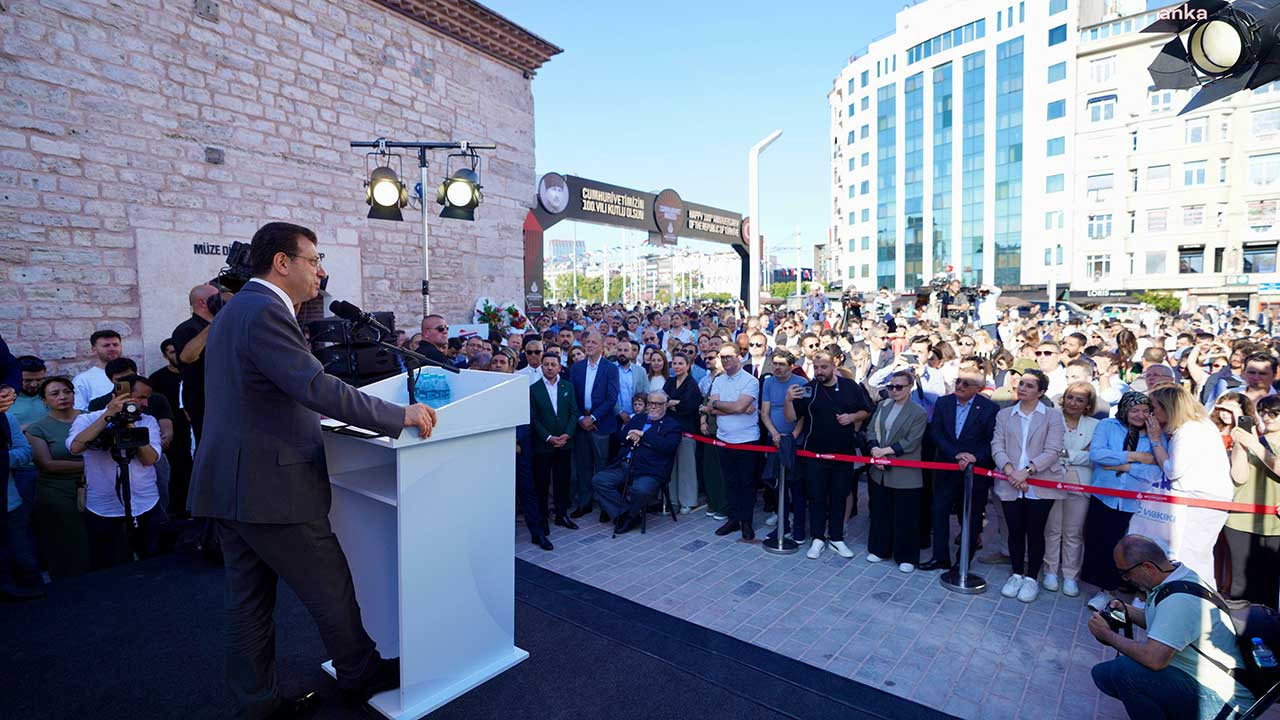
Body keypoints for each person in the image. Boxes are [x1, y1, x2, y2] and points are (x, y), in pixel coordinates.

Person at [187, 222, 437, 718]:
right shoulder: (263, 310)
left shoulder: (238, 309)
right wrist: (398, 415)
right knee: (330, 586)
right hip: (271, 487)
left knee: (249, 602)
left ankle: (258, 703)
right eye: (314, 259)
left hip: (232, 483)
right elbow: (317, 388)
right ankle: (360, 675)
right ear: (282, 262)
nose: (321, 271)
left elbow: (265, 392)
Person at [1088, 535, 1255, 720]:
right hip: (1202, 682)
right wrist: (1127, 610)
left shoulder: (1179, 600)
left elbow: (1154, 659)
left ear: (1148, 567)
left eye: (1125, 573)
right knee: (1104, 675)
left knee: (1125, 672)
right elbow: (1167, 625)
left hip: (1225, 704)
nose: (1126, 579)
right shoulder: (1176, 576)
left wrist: (1107, 635)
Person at [784, 350, 873, 560]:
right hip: (815, 453)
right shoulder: (807, 390)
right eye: (816, 368)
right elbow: (791, 418)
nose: (819, 371)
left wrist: (852, 417)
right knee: (816, 497)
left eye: (824, 367)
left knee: (839, 495)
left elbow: (867, 410)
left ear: (834, 366)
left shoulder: (851, 386)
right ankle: (817, 538)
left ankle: (836, 537)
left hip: (843, 453)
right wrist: (788, 400)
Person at [1144, 384, 1233, 589]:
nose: (1152, 413)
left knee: (1190, 557)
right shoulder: (1199, 425)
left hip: (1200, 501)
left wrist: (1156, 441)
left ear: (1168, 408)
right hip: (1202, 499)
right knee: (1194, 555)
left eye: (1154, 408)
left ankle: (1195, 602)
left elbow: (1173, 470)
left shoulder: (1189, 431)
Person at [1083, 391, 1165, 611]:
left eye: (1145, 411)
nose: (1139, 416)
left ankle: (1139, 592)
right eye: (1134, 410)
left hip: (1136, 504)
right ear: (1124, 410)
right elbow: (1097, 455)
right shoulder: (1108, 426)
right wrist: (1135, 457)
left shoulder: (1155, 434)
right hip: (1105, 497)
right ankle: (1106, 590)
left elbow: (1156, 470)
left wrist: (1123, 465)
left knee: (1132, 548)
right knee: (1101, 543)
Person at [991, 368, 1067, 603]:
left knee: (1036, 532)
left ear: (1041, 391)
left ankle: (1031, 578)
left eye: (1029, 385)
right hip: (1010, 480)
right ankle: (1015, 574)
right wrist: (1011, 471)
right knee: (1014, 530)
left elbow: (1053, 450)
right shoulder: (1005, 415)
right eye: (1021, 383)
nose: (1022, 388)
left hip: (1040, 482)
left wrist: (1027, 471)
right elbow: (997, 445)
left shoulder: (1053, 416)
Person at [68, 386, 164, 569]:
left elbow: (150, 459)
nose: (146, 403)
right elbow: (75, 447)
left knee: (151, 559)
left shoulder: (148, 421)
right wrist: (109, 416)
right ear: (117, 397)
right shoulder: (86, 419)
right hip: (103, 507)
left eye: (147, 398)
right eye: (140, 398)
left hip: (145, 502)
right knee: (107, 562)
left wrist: (130, 423)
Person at [922, 368, 1000, 571]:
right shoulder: (943, 402)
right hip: (946, 467)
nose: (959, 386)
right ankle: (940, 558)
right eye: (958, 381)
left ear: (978, 388)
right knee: (939, 512)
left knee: (971, 518)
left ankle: (962, 562)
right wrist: (955, 454)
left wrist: (974, 458)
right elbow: (936, 432)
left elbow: (993, 440)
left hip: (975, 472)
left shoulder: (990, 408)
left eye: (966, 383)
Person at [591, 389, 683, 535]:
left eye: (657, 404)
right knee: (599, 480)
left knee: (640, 490)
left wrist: (644, 436)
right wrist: (629, 435)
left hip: (650, 470)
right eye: (650, 403)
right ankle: (626, 513)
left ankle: (630, 516)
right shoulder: (638, 418)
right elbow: (621, 438)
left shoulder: (672, 425)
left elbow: (668, 447)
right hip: (626, 464)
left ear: (665, 405)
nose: (652, 407)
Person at [864, 370, 929, 572]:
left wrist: (885, 452)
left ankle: (906, 556)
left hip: (905, 471)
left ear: (909, 388)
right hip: (880, 469)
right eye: (891, 386)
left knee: (905, 515)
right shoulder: (883, 405)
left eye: (899, 386)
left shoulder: (918, 412)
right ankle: (879, 549)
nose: (894, 390)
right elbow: (871, 429)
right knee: (881, 510)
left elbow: (912, 441)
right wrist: (875, 449)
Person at [24, 377, 87, 579]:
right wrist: (89, 466)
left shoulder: (89, 419)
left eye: (67, 392)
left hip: (95, 486)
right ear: (44, 400)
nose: (62, 397)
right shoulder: (38, 428)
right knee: (66, 540)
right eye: (55, 393)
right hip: (58, 490)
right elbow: (47, 464)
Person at [1043, 381, 1099, 598]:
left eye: (1079, 399)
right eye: (1070, 397)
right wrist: (1078, 454)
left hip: (1081, 483)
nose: (1073, 403)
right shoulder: (1051, 418)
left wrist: (1066, 454)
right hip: (1051, 480)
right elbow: (1048, 450)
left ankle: (1070, 575)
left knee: (1073, 532)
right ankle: (1049, 571)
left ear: (1087, 404)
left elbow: (1094, 456)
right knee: (1053, 529)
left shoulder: (1095, 425)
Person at [1224, 394, 1280, 604]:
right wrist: (1240, 445)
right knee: (1240, 583)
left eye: (1274, 413)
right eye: (1263, 411)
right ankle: (1242, 632)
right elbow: (1239, 476)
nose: (1268, 417)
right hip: (1241, 521)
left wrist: (1255, 445)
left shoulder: (1257, 443)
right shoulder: (1254, 439)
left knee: (1270, 583)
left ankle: (1267, 630)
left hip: (1275, 525)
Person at [703, 343, 761, 541]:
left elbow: (734, 407)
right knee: (731, 482)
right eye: (723, 357)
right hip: (724, 439)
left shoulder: (750, 381)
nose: (726, 360)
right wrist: (731, 407)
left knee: (746, 483)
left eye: (729, 356)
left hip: (747, 441)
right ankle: (733, 519)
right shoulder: (718, 381)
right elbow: (713, 408)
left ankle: (747, 522)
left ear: (739, 357)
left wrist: (719, 406)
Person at [569, 330, 620, 520]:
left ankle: (605, 506)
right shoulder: (577, 368)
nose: (589, 345)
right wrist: (582, 418)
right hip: (581, 424)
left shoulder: (610, 368)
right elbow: (572, 396)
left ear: (601, 345)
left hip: (602, 424)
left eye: (593, 342)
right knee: (583, 466)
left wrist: (594, 418)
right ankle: (584, 503)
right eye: (587, 342)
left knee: (602, 466)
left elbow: (611, 398)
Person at [761, 349, 808, 544]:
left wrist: (792, 436)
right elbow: (765, 412)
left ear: (791, 366)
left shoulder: (801, 383)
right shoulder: (768, 382)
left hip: (794, 441)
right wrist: (773, 433)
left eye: (781, 364)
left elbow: (803, 415)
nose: (777, 367)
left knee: (796, 487)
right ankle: (783, 526)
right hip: (774, 439)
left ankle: (798, 529)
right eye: (775, 363)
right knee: (777, 485)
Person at [530, 351, 577, 541]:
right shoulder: (533, 389)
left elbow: (574, 412)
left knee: (562, 480)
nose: (549, 367)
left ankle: (561, 515)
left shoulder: (568, 387)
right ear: (541, 367)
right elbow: (533, 419)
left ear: (560, 367)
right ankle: (542, 519)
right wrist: (548, 437)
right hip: (544, 445)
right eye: (546, 364)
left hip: (565, 443)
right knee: (542, 483)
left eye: (553, 364)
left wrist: (567, 434)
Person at [71, 329, 122, 411]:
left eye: (115, 345)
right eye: (106, 345)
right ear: (94, 350)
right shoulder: (82, 380)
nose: (112, 349)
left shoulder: (133, 374)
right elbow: (79, 412)